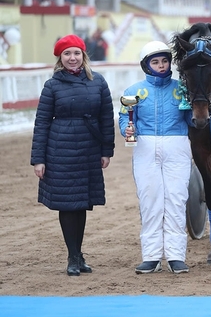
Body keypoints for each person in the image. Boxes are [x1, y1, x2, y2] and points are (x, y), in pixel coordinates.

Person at [31, 34, 115, 276]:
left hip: (89, 148)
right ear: (60, 58)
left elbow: (106, 118)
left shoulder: (98, 82)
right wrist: (39, 158)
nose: (72, 58)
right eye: (67, 54)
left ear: (83, 55)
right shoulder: (52, 86)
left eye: (76, 53)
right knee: (68, 204)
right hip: (61, 150)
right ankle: (72, 256)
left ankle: (79, 255)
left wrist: (106, 150)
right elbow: (42, 123)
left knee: (81, 203)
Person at [119, 40, 192, 275]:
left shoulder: (182, 87)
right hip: (145, 147)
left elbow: (192, 121)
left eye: (164, 61)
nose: (161, 65)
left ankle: (176, 256)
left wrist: (194, 109)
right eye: (155, 62)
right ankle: (150, 256)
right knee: (150, 201)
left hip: (177, 145)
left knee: (176, 200)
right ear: (146, 65)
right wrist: (126, 129)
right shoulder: (133, 91)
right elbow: (124, 119)